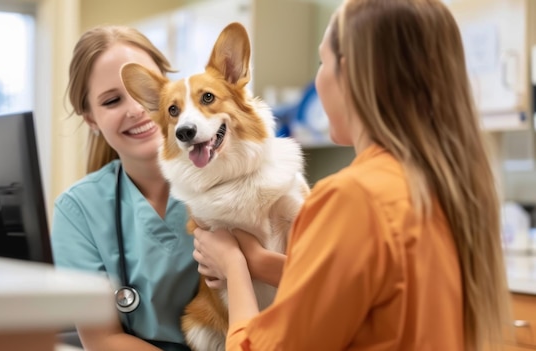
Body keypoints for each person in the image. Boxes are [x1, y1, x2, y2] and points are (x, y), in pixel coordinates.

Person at [192, 0, 511, 350]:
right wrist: (261, 262)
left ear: (351, 72)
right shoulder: (447, 188)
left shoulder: (352, 198)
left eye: (321, 61)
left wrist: (233, 265)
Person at [50, 25, 200, 351]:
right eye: (112, 100)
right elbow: (103, 340)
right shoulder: (79, 211)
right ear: (90, 119)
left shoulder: (230, 175)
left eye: (144, 87)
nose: (135, 108)